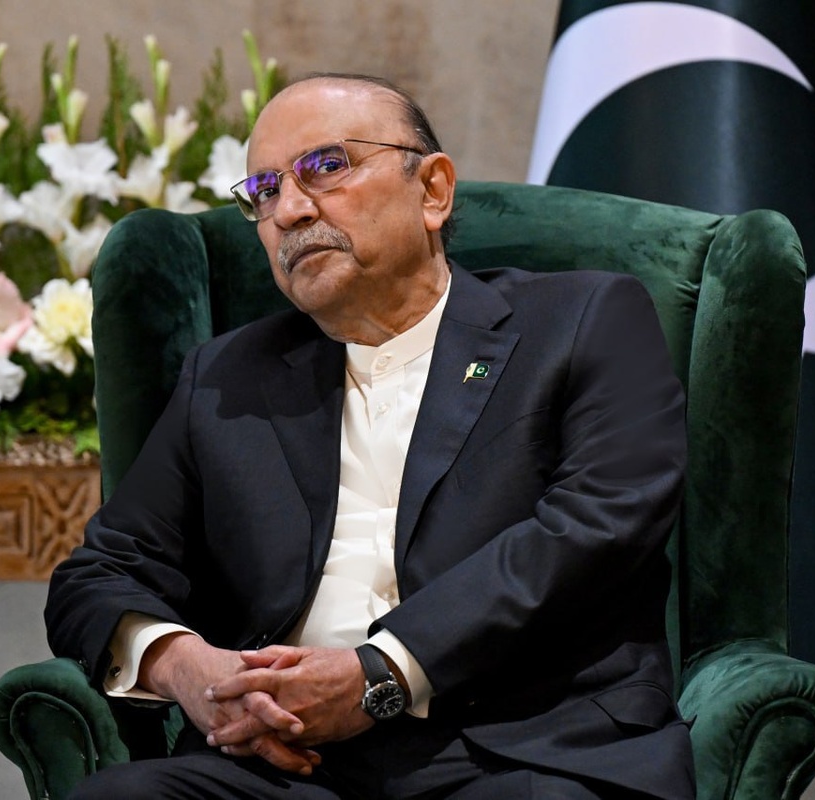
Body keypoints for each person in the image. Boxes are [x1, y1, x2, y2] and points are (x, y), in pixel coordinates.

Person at [46, 72, 695, 799]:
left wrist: (379, 674)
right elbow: (98, 573)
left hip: (521, 750)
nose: (290, 210)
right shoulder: (227, 379)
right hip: (284, 762)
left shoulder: (581, 321)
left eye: (327, 166)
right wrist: (187, 668)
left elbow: (598, 523)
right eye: (264, 191)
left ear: (433, 191)